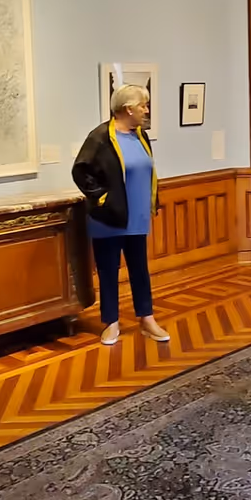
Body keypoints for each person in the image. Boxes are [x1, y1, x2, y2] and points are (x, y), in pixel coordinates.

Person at [73, 84, 170, 347]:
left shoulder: (140, 135)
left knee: (140, 269)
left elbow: (146, 172)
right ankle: (111, 323)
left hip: (137, 217)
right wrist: (103, 198)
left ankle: (147, 320)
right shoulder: (101, 137)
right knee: (108, 271)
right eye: (143, 106)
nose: (146, 110)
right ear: (128, 109)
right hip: (109, 218)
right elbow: (81, 172)